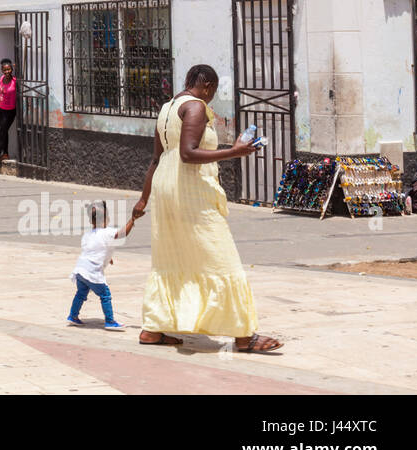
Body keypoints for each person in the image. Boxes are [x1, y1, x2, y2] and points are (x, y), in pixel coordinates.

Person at [134, 64, 282, 353]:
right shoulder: (197, 107)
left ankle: (153, 329)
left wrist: (143, 199)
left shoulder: (167, 107)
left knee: (173, 258)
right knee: (221, 256)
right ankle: (244, 336)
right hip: (190, 191)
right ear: (209, 87)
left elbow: (156, 158)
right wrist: (235, 151)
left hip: (166, 186)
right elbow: (188, 153)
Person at [68, 201, 138, 330]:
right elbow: (122, 234)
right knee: (105, 295)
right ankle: (110, 321)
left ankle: (73, 316)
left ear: (91, 221)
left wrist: (107, 258)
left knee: (81, 293)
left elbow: (94, 249)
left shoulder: (87, 234)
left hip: (80, 270)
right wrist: (132, 220)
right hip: (92, 272)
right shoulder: (107, 232)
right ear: (106, 219)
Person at [0, 59, 17, 170]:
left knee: (2, 132)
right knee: (3, 130)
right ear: (2, 70)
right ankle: (5, 153)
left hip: (10, 111)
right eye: (5, 70)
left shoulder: (15, 81)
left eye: (9, 69)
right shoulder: (1, 79)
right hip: (0, 109)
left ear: (12, 69)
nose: (7, 71)